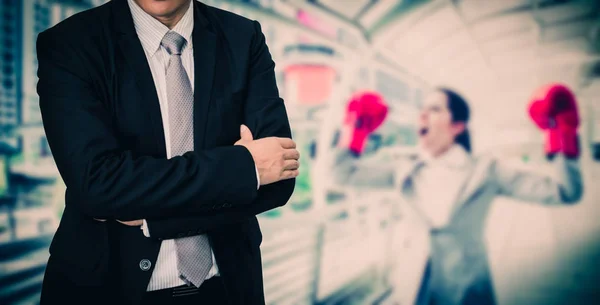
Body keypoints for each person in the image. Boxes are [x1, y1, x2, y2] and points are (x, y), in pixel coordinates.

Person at [36, 0, 300, 304]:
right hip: (106, 286)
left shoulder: (243, 37)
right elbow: (98, 185)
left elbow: (280, 175)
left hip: (228, 288)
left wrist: (154, 219)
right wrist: (243, 166)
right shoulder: (72, 43)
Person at [333, 85, 583, 305]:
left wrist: (562, 133)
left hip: (467, 292)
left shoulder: (487, 171)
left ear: (457, 126)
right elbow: (342, 175)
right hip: (410, 290)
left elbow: (564, 191)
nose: (422, 114)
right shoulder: (404, 168)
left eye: (434, 109)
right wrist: (355, 129)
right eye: (423, 108)